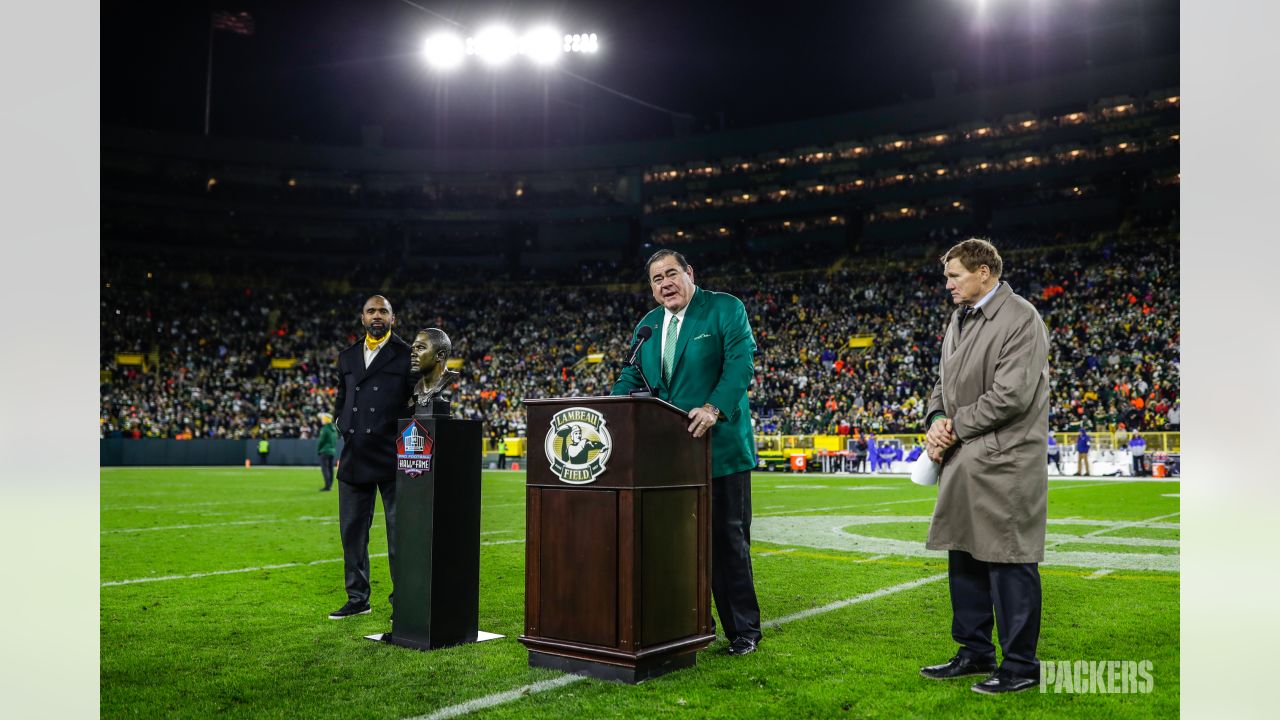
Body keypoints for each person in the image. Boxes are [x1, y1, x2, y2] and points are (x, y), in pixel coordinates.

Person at [611, 249, 763, 657]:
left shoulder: (724, 308)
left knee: (728, 543)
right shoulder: (647, 325)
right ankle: (692, 625)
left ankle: (743, 631)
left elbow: (740, 364)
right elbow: (632, 375)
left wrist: (713, 407)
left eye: (671, 273)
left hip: (721, 450)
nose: (665, 283)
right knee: (677, 545)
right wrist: (607, 408)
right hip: (668, 458)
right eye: (656, 278)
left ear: (689, 273)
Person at [920, 238, 1050, 694]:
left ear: (985, 273)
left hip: (1005, 460)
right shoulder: (960, 317)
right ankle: (974, 652)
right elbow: (943, 383)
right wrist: (936, 419)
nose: (948, 285)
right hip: (965, 457)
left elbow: (1011, 396)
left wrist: (953, 426)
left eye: (954, 276)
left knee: (1009, 559)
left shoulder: (1021, 319)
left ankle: (1020, 665)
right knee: (965, 554)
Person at [329, 295, 414, 620]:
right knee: (351, 533)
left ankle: (402, 600)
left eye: (383, 311)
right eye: (371, 311)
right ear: (362, 317)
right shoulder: (347, 356)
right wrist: (342, 423)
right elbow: (342, 397)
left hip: (394, 458)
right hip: (354, 456)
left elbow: (417, 403)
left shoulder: (408, 355)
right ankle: (357, 598)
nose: (376, 316)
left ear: (392, 317)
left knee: (399, 536)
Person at [316, 413, 338, 491]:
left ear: (326, 420)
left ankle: (327, 486)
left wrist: (319, 449)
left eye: (323, 419)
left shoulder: (324, 429)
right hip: (332, 451)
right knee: (330, 469)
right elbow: (335, 440)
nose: (322, 420)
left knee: (325, 469)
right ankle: (330, 485)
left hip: (325, 451)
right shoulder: (334, 429)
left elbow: (321, 441)